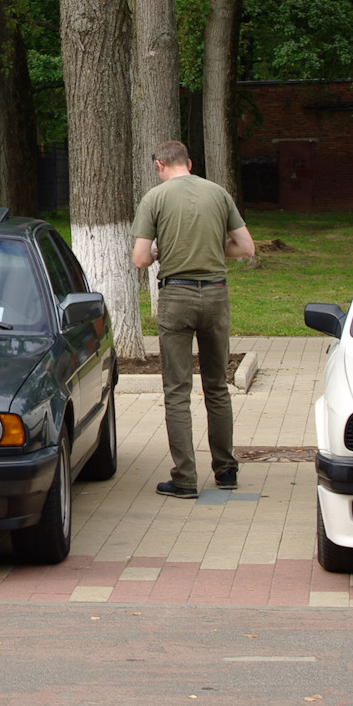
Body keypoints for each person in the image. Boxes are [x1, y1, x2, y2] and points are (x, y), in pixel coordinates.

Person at [131, 141, 257, 497]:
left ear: (159, 166)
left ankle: (185, 479)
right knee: (216, 386)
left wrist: (161, 251)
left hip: (176, 296)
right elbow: (246, 247)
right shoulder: (218, 193)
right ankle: (226, 471)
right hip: (216, 294)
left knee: (177, 391)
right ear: (188, 163)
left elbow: (141, 259)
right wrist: (213, 251)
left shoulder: (154, 199)